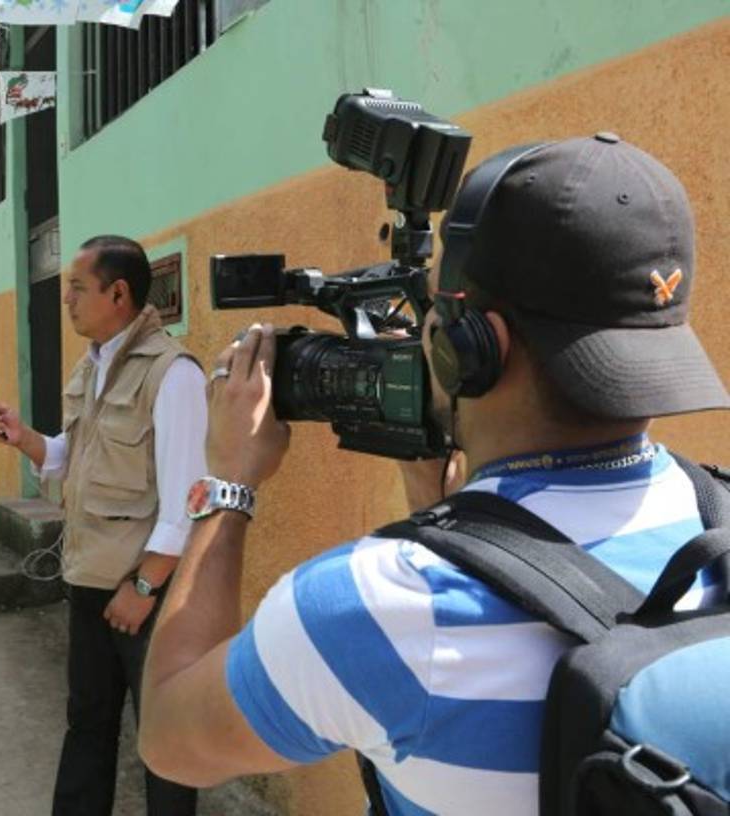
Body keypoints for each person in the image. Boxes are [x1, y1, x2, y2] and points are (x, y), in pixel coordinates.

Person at [137, 136, 730, 814]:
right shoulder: (719, 521)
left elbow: (168, 736)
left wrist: (227, 485)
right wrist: (445, 511)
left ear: (470, 347)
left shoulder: (379, 604)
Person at [0, 236, 206, 816]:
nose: (68, 301)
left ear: (119, 293)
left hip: (145, 595)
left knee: (165, 742)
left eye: (78, 288)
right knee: (87, 724)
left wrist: (145, 587)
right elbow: (69, 456)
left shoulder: (173, 375)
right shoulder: (94, 364)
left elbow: (187, 504)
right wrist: (23, 437)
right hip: (90, 581)